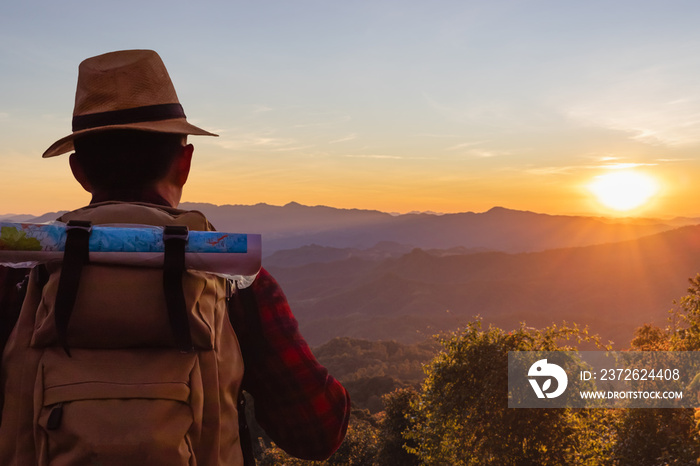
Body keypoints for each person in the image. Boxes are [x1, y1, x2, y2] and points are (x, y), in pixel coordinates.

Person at [0, 49, 350, 465]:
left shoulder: (17, 278)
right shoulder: (230, 277)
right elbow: (317, 433)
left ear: (78, 171)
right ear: (184, 164)